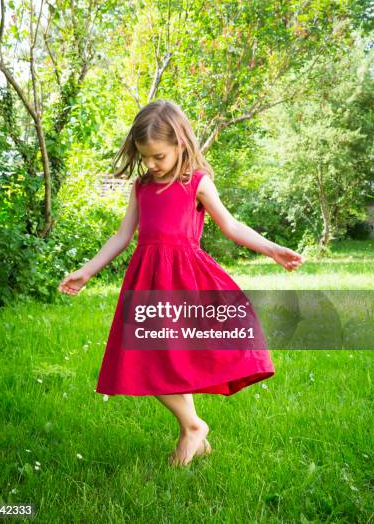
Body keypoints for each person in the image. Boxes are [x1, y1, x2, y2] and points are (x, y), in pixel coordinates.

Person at [58, 99, 304, 467]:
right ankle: (192, 427)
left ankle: (192, 429)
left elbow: (231, 226)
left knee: (175, 356)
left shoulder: (197, 183)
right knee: (150, 356)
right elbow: (122, 236)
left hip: (186, 280)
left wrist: (273, 250)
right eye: (146, 157)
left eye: (158, 156)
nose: (152, 164)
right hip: (148, 282)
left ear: (180, 144)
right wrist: (88, 270)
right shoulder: (141, 186)